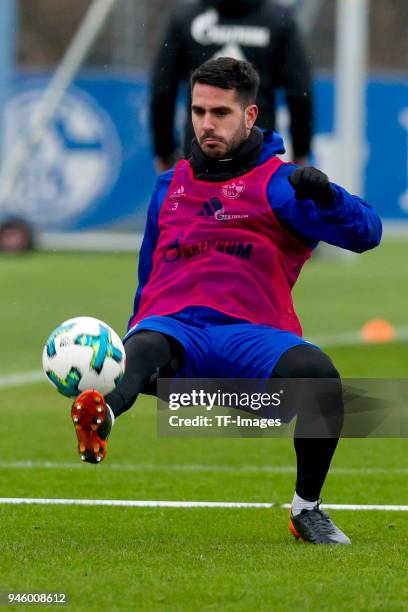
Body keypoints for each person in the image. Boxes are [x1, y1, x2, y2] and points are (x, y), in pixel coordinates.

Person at [71, 58, 382, 544]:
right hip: (175, 329)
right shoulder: (168, 186)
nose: (206, 124)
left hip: (249, 335)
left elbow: (368, 234)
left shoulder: (281, 185)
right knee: (145, 345)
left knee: (322, 380)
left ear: (250, 116)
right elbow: (148, 273)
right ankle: (101, 414)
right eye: (198, 112)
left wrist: (328, 196)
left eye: (220, 113)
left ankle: (307, 511)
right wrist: (134, 333)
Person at [151, 0, 313, 172]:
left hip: (201, 156)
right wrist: (300, 152)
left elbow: (162, 91)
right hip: (257, 158)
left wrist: (164, 152)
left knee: (199, 197)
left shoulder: (185, 16)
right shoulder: (278, 18)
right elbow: (299, 93)